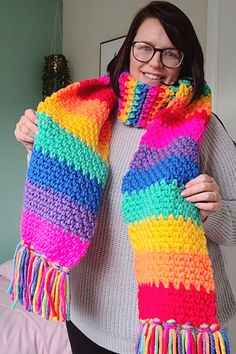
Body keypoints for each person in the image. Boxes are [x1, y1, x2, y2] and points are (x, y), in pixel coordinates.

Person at [14, 1, 236, 353]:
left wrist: (215, 211)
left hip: (173, 331)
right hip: (89, 317)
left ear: (185, 61)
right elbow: (62, 191)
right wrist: (34, 148)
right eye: (145, 48)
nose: (155, 63)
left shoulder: (203, 128)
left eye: (170, 53)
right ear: (129, 48)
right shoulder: (91, 113)